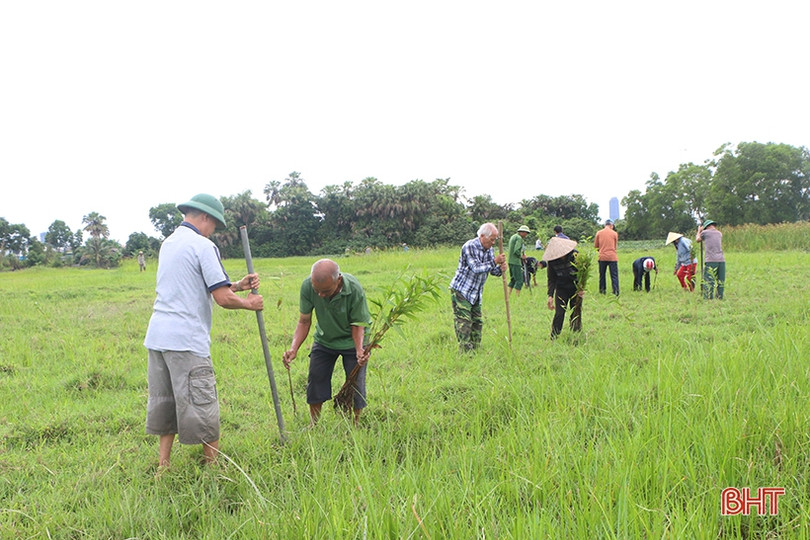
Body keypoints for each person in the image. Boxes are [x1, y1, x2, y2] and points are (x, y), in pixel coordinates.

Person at [144, 193, 264, 470]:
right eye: (215, 225)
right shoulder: (203, 245)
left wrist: (236, 286)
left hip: (158, 338)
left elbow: (196, 287)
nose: (214, 232)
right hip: (186, 340)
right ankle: (212, 470)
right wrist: (249, 304)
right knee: (203, 402)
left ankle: (164, 466)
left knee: (166, 402)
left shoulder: (169, 243)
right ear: (205, 218)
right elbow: (221, 299)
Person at [282, 259, 372, 426]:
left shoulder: (354, 288)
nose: (321, 295)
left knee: (356, 383)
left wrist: (360, 350)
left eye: (325, 291)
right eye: (318, 291)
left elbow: (358, 324)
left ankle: (356, 423)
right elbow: (304, 321)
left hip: (353, 340)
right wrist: (293, 349)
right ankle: (314, 423)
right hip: (325, 339)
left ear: (338, 280)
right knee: (316, 378)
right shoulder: (308, 286)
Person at [449, 223, 507, 353]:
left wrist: (500, 270)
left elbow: (491, 270)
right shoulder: (470, 246)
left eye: (495, 240)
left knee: (477, 322)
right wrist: (495, 262)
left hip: (476, 292)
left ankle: (476, 349)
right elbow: (476, 268)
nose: (493, 243)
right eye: (491, 239)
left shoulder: (489, 249)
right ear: (482, 236)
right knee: (464, 322)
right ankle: (465, 352)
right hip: (462, 290)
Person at [543, 237, 584, 339]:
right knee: (559, 313)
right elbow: (551, 279)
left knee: (576, 311)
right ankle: (554, 336)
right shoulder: (552, 261)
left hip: (575, 287)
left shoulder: (575, 255)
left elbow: (583, 273)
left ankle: (576, 334)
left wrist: (582, 288)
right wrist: (550, 296)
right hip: (561, 288)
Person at [696, 219, 725, 299]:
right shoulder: (719, 233)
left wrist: (699, 231)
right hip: (721, 260)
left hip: (711, 259)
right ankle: (719, 297)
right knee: (720, 280)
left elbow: (698, 239)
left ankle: (708, 297)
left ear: (706, 227)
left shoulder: (705, 233)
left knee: (709, 280)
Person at [594, 219, 619, 295]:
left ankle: (602, 290)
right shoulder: (614, 234)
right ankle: (616, 291)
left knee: (602, 275)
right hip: (612, 257)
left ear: (605, 225)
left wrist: (601, 251)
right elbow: (615, 246)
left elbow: (596, 246)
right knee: (614, 275)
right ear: (611, 225)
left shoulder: (599, 233)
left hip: (602, 257)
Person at [507, 225, 530, 297]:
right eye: (526, 233)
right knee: (519, 280)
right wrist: (521, 257)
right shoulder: (519, 238)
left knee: (513, 279)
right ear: (522, 232)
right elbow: (516, 250)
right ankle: (517, 296)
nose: (526, 235)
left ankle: (508, 295)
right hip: (516, 262)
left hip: (510, 261)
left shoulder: (513, 236)